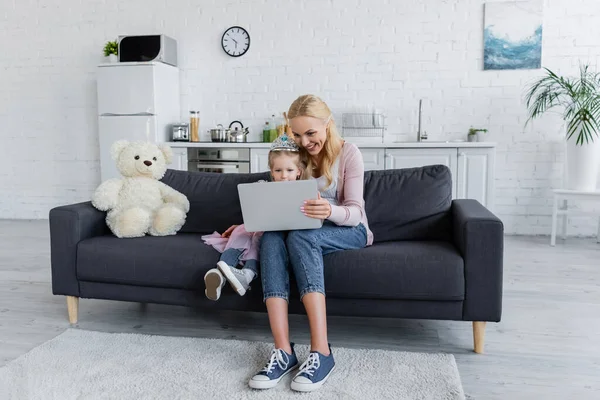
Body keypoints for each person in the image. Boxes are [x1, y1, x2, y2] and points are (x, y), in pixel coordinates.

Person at [249, 94, 373, 392]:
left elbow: (355, 212)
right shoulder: (295, 155)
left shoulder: (349, 153)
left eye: (311, 133)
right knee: (270, 238)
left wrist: (330, 210)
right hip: (300, 227)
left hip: (347, 228)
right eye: (297, 134)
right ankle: (283, 351)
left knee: (302, 236)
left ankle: (322, 352)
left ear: (328, 125)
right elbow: (280, 196)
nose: (305, 142)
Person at [202, 134, 309, 301]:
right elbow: (256, 212)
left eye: (289, 170)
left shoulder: (303, 191)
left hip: (280, 234)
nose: (284, 176)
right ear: (272, 173)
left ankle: (248, 274)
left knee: (259, 239)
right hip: (261, 226)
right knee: (241, 231)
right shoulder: (264, 187)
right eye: (278, 170)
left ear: (298, 172)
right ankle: (221, 272)